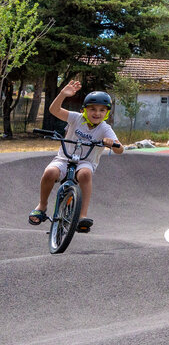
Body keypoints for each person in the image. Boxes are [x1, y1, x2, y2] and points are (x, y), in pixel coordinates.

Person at [29, 80, 124, 233]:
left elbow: (121, 149)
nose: (97, 113)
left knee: (85, 174)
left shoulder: (105, 128)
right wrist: (62, 94)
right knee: (49, 173)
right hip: (64, 158)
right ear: (84, 110)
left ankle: (82, 215)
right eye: (92, 109)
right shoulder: (76, 118)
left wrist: (111, 143)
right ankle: (42, 205)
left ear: (107, 113)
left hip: (85, 162)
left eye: (101, 110)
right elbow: (54, 110)